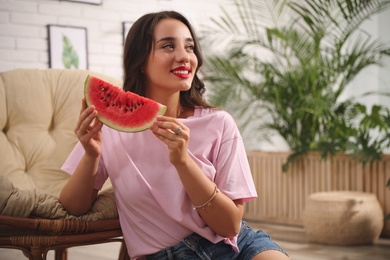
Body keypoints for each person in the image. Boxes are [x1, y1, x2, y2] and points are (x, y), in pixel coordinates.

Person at [59, 10, 289, 260]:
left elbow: (230, 226)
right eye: (168, 46)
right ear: (140, 60)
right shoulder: (111, 128)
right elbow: (73, 207)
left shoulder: (219, 123)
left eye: (190, 47)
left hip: (237, 247)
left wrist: (183, 162)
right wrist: (91, 156)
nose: (184, 56)